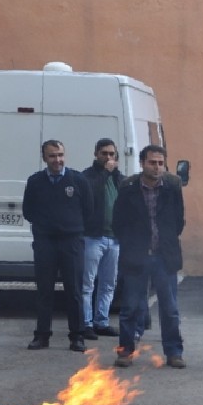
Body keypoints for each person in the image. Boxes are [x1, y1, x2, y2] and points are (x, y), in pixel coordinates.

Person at [114, 145, 186, 368]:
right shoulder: (127, 188)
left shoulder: (173, 186)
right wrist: (132, 246)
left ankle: (174, 352)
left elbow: (178, 220)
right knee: (130, 307)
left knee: (170, 309)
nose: (156, 167)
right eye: (152, 162)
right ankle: (125, 351)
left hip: (164, 257)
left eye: (160, 163)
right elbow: (118, 222)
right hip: (136, 257)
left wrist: (165, 242)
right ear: (142, 163)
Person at [23, 140, 94, 351]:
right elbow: (28, 211)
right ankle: (42, 335)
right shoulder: (35, 181)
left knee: (74, 290)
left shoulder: (78, 180)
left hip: (71, 242)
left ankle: (77, 336)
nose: (57, 160)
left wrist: (69, 226)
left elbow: (88, 210)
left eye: (60, 155)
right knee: (44, 290)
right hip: (45, 242)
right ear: (44, 158)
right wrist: (46, 226)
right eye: (52, 156)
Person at [81, 138, 123, 339]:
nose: (108, 157)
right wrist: (106, 172)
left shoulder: (118, 179)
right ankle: (85, 323)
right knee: (87, 283)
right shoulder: (88, 177)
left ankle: (102, 321)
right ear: (96, 154)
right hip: (93, 237)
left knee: (108, 283)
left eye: (111, 154)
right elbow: (90, 194)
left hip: (114, 238)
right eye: (104, 153)